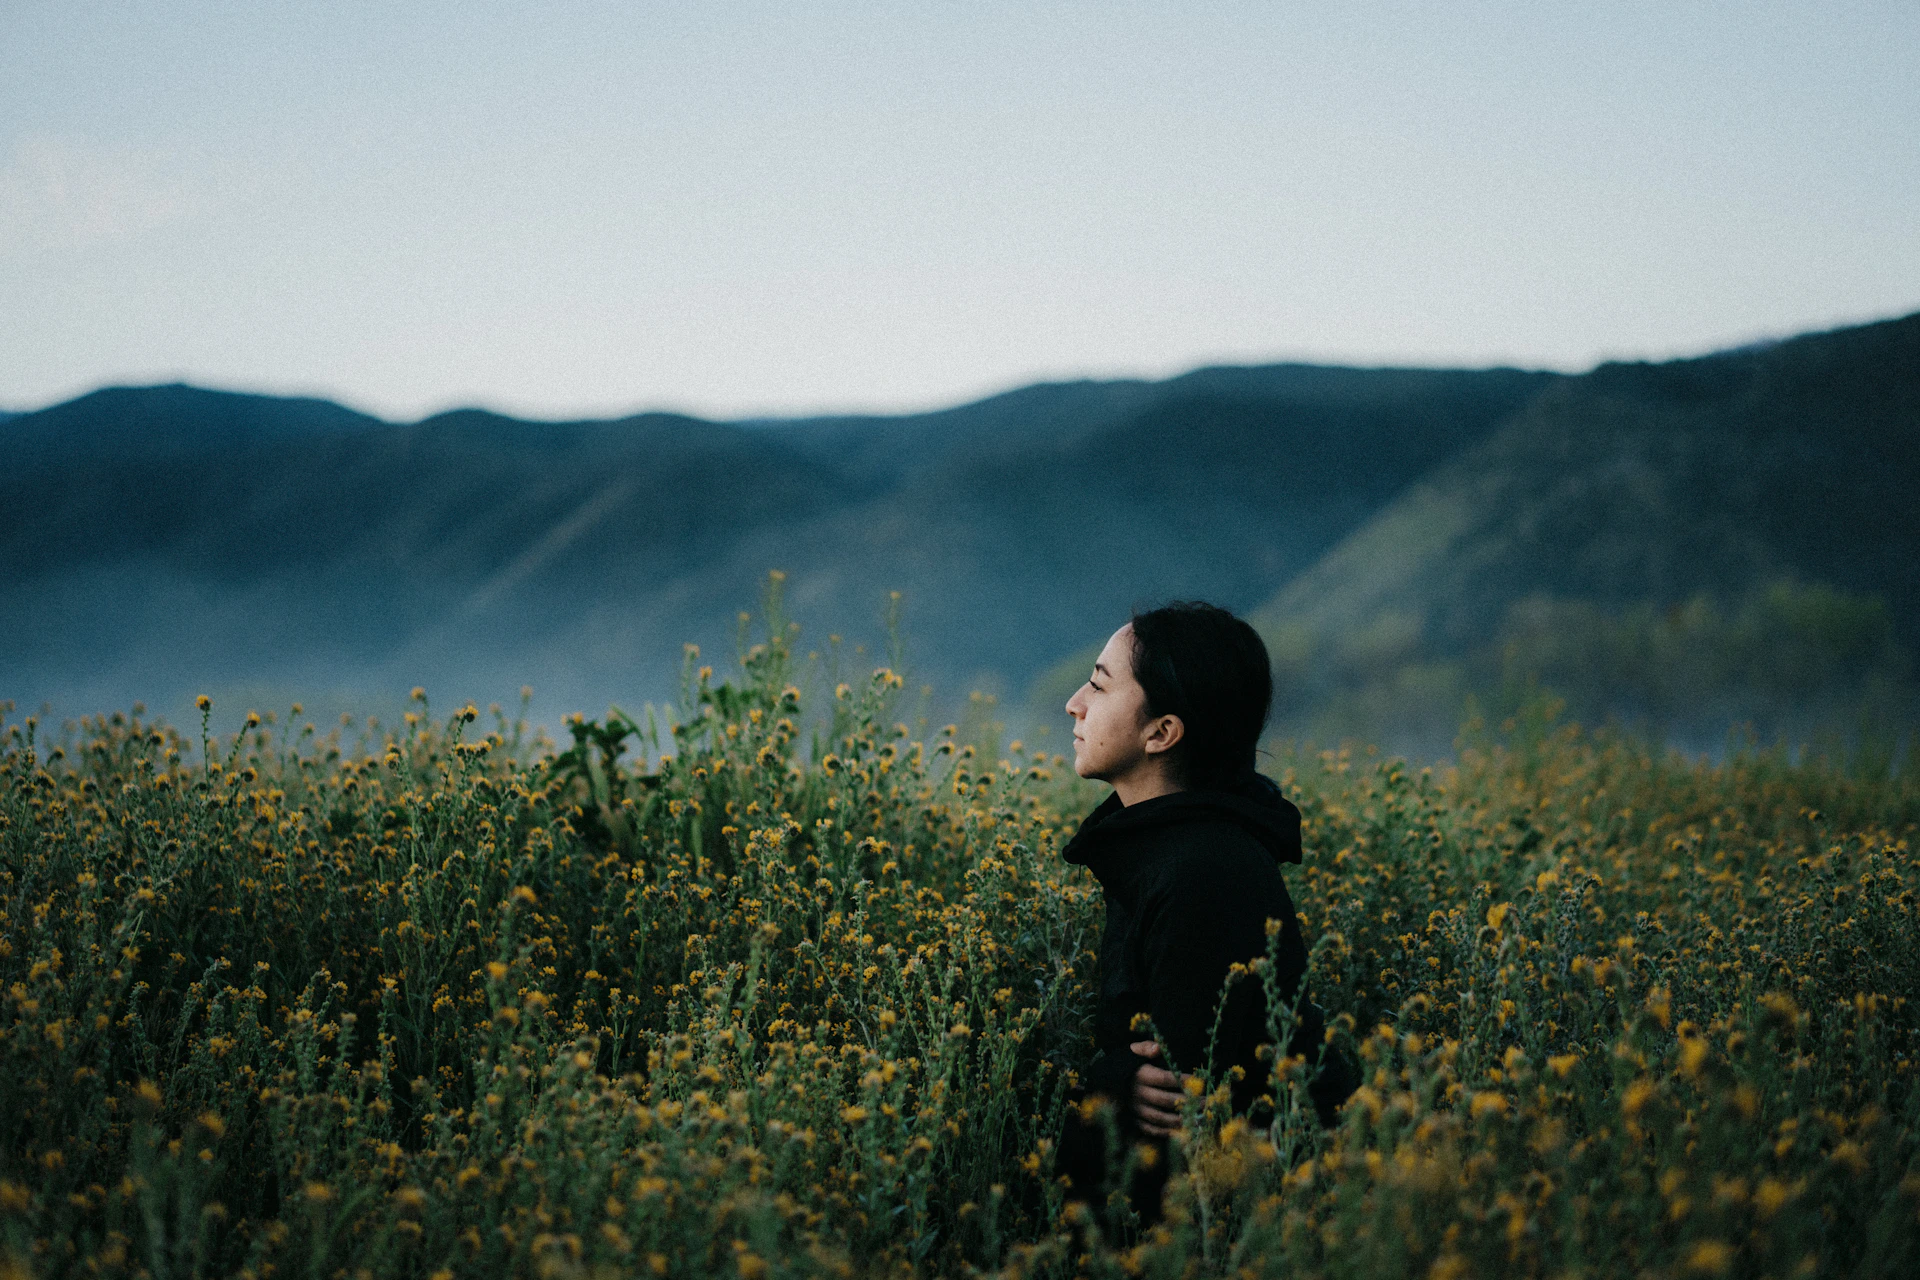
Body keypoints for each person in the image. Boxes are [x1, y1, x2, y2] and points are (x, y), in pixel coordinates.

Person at [1052, 601, 1355, 1229]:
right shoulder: (1168, 848)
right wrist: (1115, 1080)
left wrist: (1109, 1088)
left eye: (1100, 685)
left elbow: (1177, 1116)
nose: (1074, 704)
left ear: (1161, 733)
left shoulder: (1201, 873)